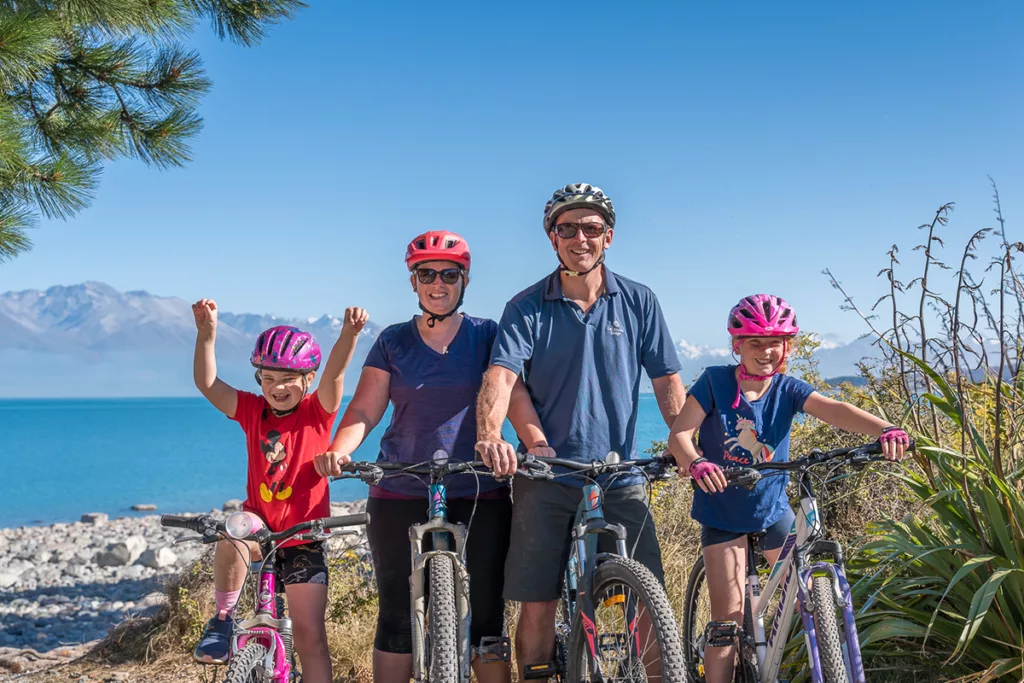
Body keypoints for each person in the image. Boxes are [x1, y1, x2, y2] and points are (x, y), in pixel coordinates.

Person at [314, 231, 548, 683]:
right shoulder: (393, 341)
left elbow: (512, 396)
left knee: (486, 619)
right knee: (397, 617)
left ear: (464, 280)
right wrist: (339, 452)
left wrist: (533, 442)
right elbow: (364, 408)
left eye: (448, 274)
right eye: (426, 274)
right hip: (400, 485)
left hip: (478, 486)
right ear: (413, 281)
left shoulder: (487, 335)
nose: (437, 284)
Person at [474, 183, 687, 678]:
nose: (579, 238)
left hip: (620, 474)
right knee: (539, 602)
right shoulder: (526, 306)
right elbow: (502, 378)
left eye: (591, 228)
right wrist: (491, 434)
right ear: (552, 237)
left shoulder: (638, 301)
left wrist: (684, 446)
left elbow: (667, 382)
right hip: (547, 476)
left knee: (646, 595)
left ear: (607, 237)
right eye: (566, 228)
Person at [666, 293, 910, 683]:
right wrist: (696, 461)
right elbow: (680, 435)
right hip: (723, 515)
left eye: (775, 343)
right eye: (755, 343)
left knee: (808, 598)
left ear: (787, 347)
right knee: (726, 624)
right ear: (737, 346)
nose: (766, 352)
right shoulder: (714, 381)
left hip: (772, 512)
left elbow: (835, 409)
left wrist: (886, 429)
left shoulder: (787, 389)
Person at [191, 297, 368, 683]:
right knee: (234, 526)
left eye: (288, 378)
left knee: (310, 637)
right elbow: (207, 384)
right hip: (261, 531)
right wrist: (206, 336)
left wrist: (349, 336)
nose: (277, 387)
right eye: (268, 379)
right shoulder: (252, 411)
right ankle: (223, 619)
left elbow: (335, 374)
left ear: (306, 381)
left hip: (303, 537)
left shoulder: (317, 413)